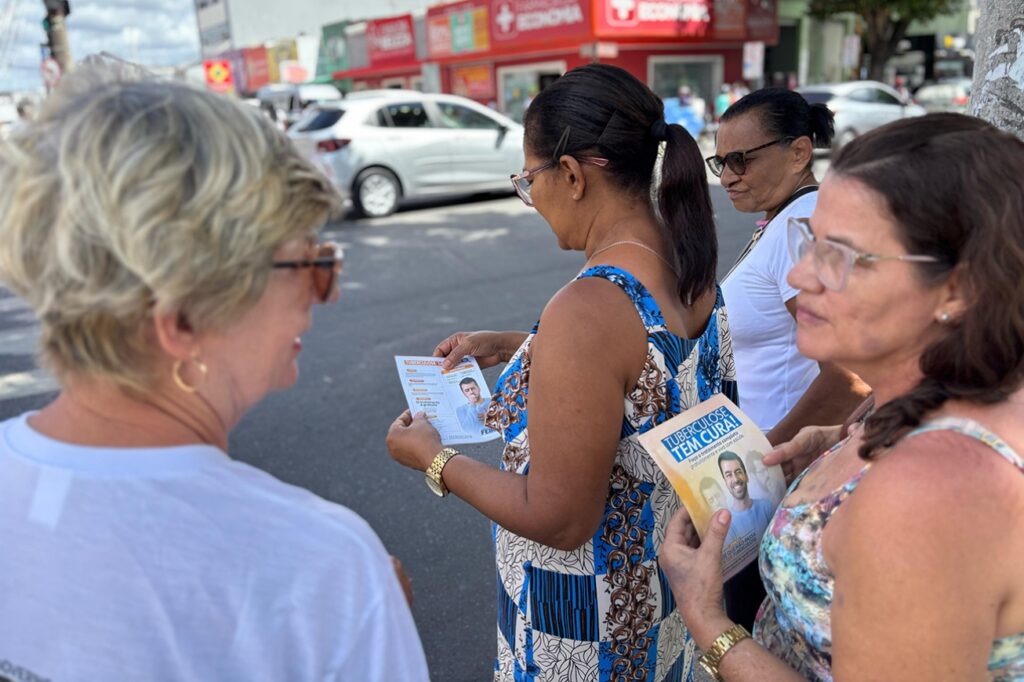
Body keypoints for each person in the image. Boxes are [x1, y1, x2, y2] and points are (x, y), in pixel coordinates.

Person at [0, 60, 429, 680]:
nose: (326, 292)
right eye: (309, 264)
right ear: (184, 318)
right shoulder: (316, 568)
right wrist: (352, 611)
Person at [386, 63, 736, 681]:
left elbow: (559, 518)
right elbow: (650, 376)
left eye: (529, 179)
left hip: (584, 637)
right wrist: (525, 347)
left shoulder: (588, 308)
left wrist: (436, 459)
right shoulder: (690, 267)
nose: (531, 198)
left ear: (571, 175)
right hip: (662, 606)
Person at [659, 114, 1024, 681]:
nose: (803, 274)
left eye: (843, 254)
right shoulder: (942, 398)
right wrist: (842, 442)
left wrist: (707, 620)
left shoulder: (925, 495)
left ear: (958, 286)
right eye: (809, 240)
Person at [710, 88, 869, 447]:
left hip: (779, 463)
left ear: (798, 153)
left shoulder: (804, 223)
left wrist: (764, 464)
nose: (726, 179)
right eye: (721, 163)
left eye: (740, 160)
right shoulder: (790, 219)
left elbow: (852, 373)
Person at [717, 452, 774, 545]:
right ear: (725, 482)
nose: (735, 479)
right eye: (729, 475)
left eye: (738, 472)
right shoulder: (727, 526)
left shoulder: (766, 506)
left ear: (746, 476)